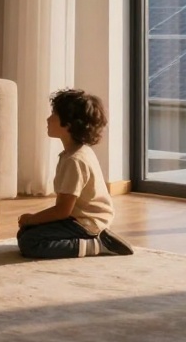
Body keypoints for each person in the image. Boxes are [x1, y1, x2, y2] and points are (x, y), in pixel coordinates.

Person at [17, 89, 134, 259]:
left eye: (54, 115)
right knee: (25, 233)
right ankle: (91, 241)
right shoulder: (75, 153)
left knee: (29, 242)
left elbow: (62, 211)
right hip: (78, 217)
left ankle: (97, 244)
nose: (48, 119)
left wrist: (32, 218)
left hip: (87, 223)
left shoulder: (75, 160)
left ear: (68, 124)